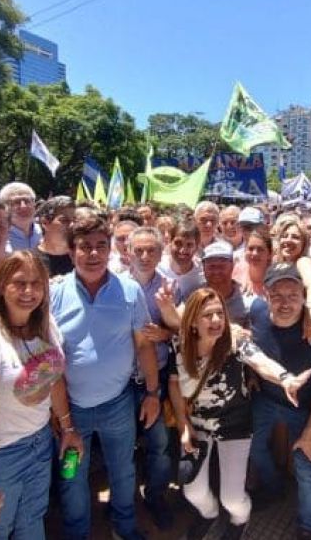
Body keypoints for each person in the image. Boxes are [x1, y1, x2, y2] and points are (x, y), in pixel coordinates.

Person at [49, 210, 160, 540]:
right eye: (85, 246)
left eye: (101, 245)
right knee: (71, 476)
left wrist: (153, 394)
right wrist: (59, 416)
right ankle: (76, 534)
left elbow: (143, 346)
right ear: (71, 252)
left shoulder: (129, 291)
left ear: (111, 249)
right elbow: (46, 359)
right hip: (71, 412)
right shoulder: (53, 294)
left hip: (118, 405)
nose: (93, 253)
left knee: (123, 471)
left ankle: (124, 528)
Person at [169, 287, 311, 540]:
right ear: (191, 320)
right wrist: (183, 427)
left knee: (233, 499)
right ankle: (209, 514)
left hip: (234, 424)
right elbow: (174, 387)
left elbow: (260, 361)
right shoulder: (179, 345)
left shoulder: (236, 341)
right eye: (207, 315)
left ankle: (239, 521)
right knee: (192, 491)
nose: (215, 321)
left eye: (219, 314)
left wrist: (285, 379)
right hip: (196, 425)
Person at [0, 251, 75, 539]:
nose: (29, 291)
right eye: (19, 283)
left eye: (36, 283)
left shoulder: (47, 325)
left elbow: (53, 380)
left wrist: (68, 427)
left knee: (33, 520)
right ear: (1, 286)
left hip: (40, 443)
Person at [249, 264, 311, 540]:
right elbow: (249, 345)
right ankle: (273, 488)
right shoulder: (257, 312)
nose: (285, 303)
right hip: (266, 398)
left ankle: (308, 527)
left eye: (292, 295)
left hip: (307, 408)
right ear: (265, 295)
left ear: (304, 296)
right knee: (254, 447)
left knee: (308, 467)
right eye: (277, 295)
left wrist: (310, 434)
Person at [124, 226, 175, 529]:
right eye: (138, 250)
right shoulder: (113, 284)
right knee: (123, 447)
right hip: (123, 380)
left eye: (151, 250)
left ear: (160, 252)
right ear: (127, 251)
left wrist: (166, 333)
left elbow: (182, 332)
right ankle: (124, 501)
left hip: (156, 376)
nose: (144, 256)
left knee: (159, 444)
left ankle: (156, 496)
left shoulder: (171, 286)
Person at [274, 215, 311, 338]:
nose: (288, 240)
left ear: (304, 244)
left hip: (303, 330)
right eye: (285, 236)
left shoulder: (303, 262)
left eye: (295, 237)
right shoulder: (277, 263)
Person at [157, 220, 205, 299]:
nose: (183, 250)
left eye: (189, 245)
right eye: (178, 243)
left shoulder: (202, 273)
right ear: (170, 242)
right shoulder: (157, 267)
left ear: (196, 247)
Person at [35, 197, 75, 277]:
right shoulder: (30, 261)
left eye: (75, 220)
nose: (72, 225)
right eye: (64, 220)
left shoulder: (84, 258)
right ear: (45, 222)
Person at [0, 182, 41, 251]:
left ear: (34, 204)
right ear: (4, 207)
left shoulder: (45, 232)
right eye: (16, 202)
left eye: (27, 201)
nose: (23, 206)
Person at [233, 226, 273, 298]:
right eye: (250, 249)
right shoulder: (236, 271)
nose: (254, 253)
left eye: (260, 249)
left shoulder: (276, 278)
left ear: (269, 254)